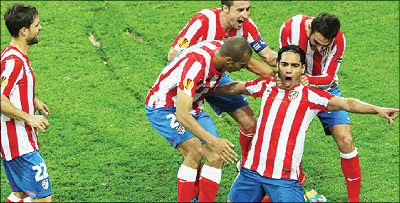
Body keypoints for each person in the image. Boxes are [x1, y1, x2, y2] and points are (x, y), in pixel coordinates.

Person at [210, 45, 399, 202]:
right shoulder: (266, 85)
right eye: (284, 64)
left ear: (302, 69)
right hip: (251, 172)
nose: (288, 70)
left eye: (294, 65)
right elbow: (236, 87)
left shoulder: (312, 96)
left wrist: (377, 109)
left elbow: (347, 103)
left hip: (284, 179)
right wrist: (205, 90)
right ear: (278, 65)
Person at [168, 0, 280, 168]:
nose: (246, 15)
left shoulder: (247, 26)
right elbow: (173, 55)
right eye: (240, 10)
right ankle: (192, 175)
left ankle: (247, 165)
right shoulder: (203, 21)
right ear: (225, 8)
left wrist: (289, 70)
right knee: (194, 147)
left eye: (248, 9)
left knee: (249, 122)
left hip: (218, 77)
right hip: (190, 80)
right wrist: (198, 75)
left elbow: (269, 57)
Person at [145, 36, 253, 202]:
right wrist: (213, 140)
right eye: (241, 66)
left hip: (193, 106)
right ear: (229, 60)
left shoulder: (222, 51)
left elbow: (214, 89)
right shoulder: (196, 66)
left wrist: (261, 82)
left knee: (217, 155)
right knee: (195, 150)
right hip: (164, 107)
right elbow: (182, 114)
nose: (244, 68)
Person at [279, 12, 361, 201]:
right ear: (309, 29)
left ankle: (354, 199)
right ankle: (295, 179)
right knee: (288, 140)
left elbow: (329, 77)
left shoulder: (339, 39)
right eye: (315, 42)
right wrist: (298, 81)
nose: (318, 49)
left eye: (325, 45)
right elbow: (286, 67)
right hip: (297, 90)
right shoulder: (290, 29)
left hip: (327, 90)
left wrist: (308, 79)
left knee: (346, 139)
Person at [1, 3, 52, 202]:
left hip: (14, 142)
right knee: (42, 198)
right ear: (24, 31)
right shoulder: (14, 61)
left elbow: (11, 89)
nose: (40, 28)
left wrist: (33, 100)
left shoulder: (12, 55)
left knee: (20, 194)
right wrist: (29, 117)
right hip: (20, 145)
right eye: (36, 25)